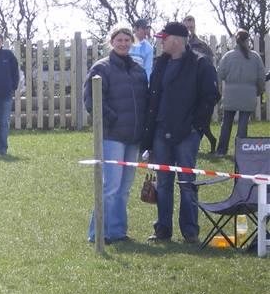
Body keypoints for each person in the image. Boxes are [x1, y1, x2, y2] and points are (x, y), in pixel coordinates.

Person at [142, 22, 220, 244]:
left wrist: (196, 127)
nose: (161, 41)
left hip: (187, 134)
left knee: (187, 182)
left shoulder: (200, 63)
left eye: (164, 38)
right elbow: (153, 97)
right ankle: (163, 229)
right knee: (164, 183)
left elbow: (211, 96)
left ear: (176, 40)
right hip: (161, 131)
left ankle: (190, 231)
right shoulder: (160, 64)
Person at [84, 25, 148, 244]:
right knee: (110, 186)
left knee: (124, 188)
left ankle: (118, 232)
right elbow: (92, 101)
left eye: (127, 40)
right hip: (113, 135)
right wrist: (114, 120)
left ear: (132, 42)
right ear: (112, 42)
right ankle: (98, 233)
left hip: (134, 136)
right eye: (119, 40)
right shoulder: (101, 68)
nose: (123, 43)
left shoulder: (138, 70)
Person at [215, 30, 266, 156]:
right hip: (248, 95)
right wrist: (259, 91)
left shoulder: (228, 56)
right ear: (247, 40)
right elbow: (261, 78)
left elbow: (219, 74)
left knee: (226, 123)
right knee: (243, 124)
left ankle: (221, 150)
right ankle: (241, 151)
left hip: (231, 94)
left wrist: (220, 91)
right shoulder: (255, 57)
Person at [183, 15, 217, 152]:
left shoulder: (203, 46)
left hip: (200, 88)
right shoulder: (179, 45)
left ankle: (194, 145)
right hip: (184, 88)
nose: (189, 29)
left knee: (201, 122)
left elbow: (209, 66)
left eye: (191, 27)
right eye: (186, 27)